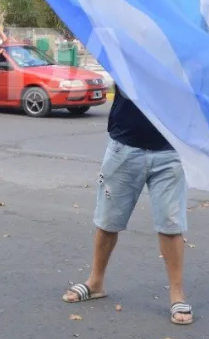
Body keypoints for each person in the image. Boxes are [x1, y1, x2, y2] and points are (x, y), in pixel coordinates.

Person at [62, 90, 194, 326]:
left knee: (171, 224)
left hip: (170, 150)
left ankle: (177, 295)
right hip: (124, 145)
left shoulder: (182, 56)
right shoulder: (127, 52)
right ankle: (95, 283)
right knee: (107, 220)